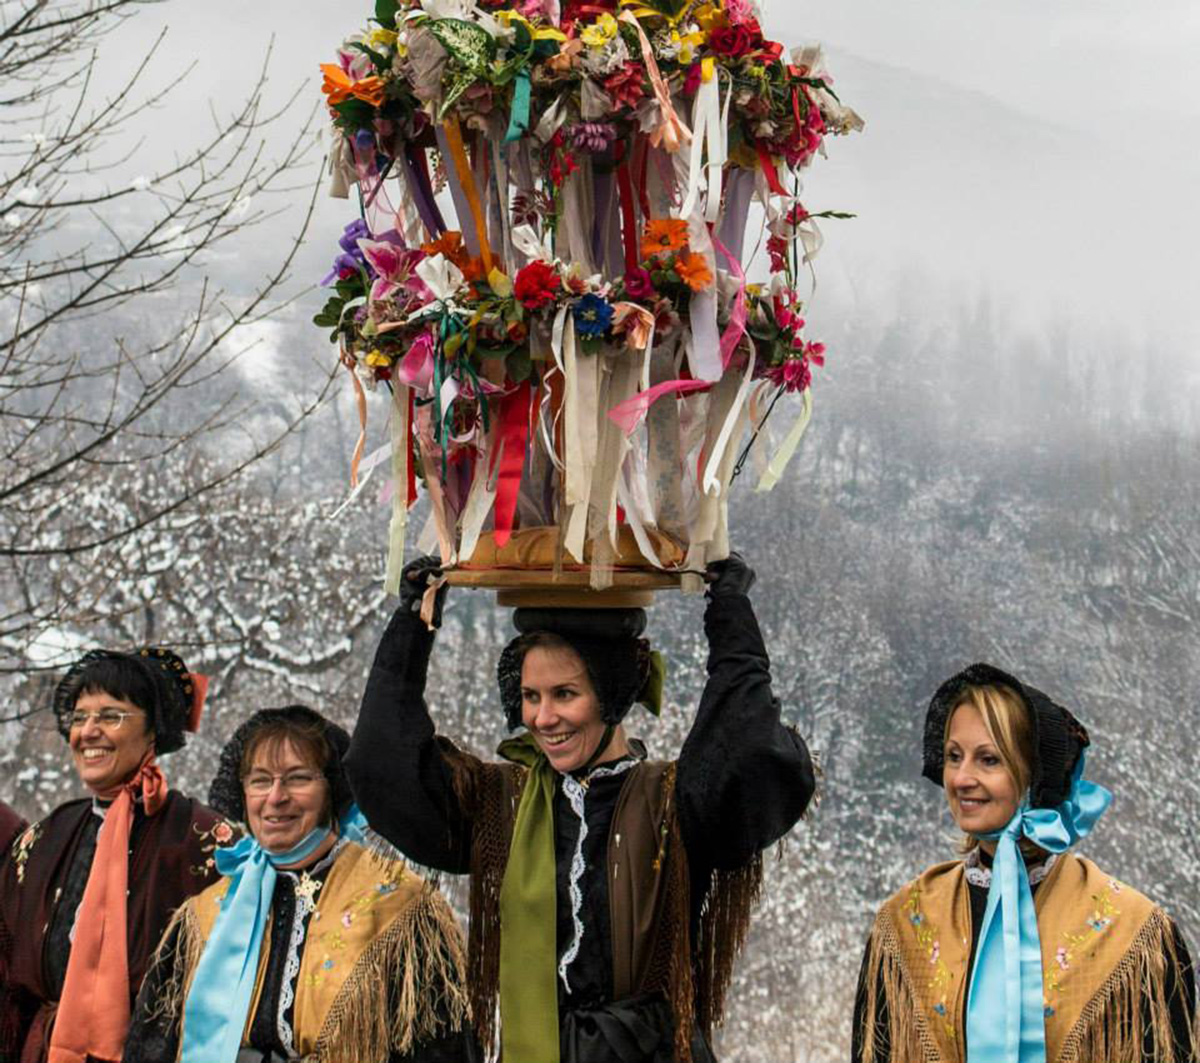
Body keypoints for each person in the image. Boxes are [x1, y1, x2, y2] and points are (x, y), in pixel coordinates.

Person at [346, 552, 815, 1063]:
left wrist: (730, 617)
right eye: (530, 696)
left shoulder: (674, 804)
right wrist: (414, 621)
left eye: (564, 694)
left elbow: (750, 752)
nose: (543, 718)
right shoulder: (499, 803)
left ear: (611, 695)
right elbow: (384, 763)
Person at [853, 662, 1198, 1063]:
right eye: (953, 756)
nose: (961, 777)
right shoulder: (903, 924)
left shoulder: (1132, 932)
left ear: (1034, 773)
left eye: (989, 760)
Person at [123, 704, 477, 1063]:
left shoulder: (398, 905)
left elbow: (443, 1050)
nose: (276, 797)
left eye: (298, 778)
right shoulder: (203, 916)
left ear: (333, 789)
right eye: (260, 780)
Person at [0, 648, 237, 1063]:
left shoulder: (205, 840)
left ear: (153, 730)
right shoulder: (46, 836)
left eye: (110, 716)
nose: (88, 731)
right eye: (79, 717)